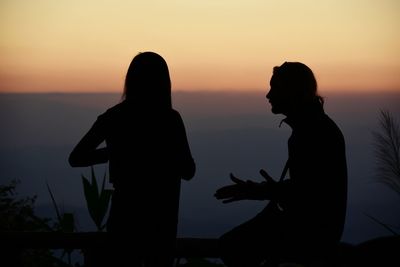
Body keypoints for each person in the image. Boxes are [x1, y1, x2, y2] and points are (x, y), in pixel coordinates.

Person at [69, 52, 196, 267]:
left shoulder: (114, 116)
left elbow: (77, 157)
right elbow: (188, 171)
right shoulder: (170, 119)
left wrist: (114, 153)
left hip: (124, 221)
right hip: (162, 223)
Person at [215, 62, 347, 266]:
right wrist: (261, 190)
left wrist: (261, 191)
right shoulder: (314, 128)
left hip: (312, 235)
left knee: (231, 247)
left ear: (292, 92)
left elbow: (308, 193)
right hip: (315, 231)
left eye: (274, 88)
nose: (268, 95)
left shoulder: (313, 133)